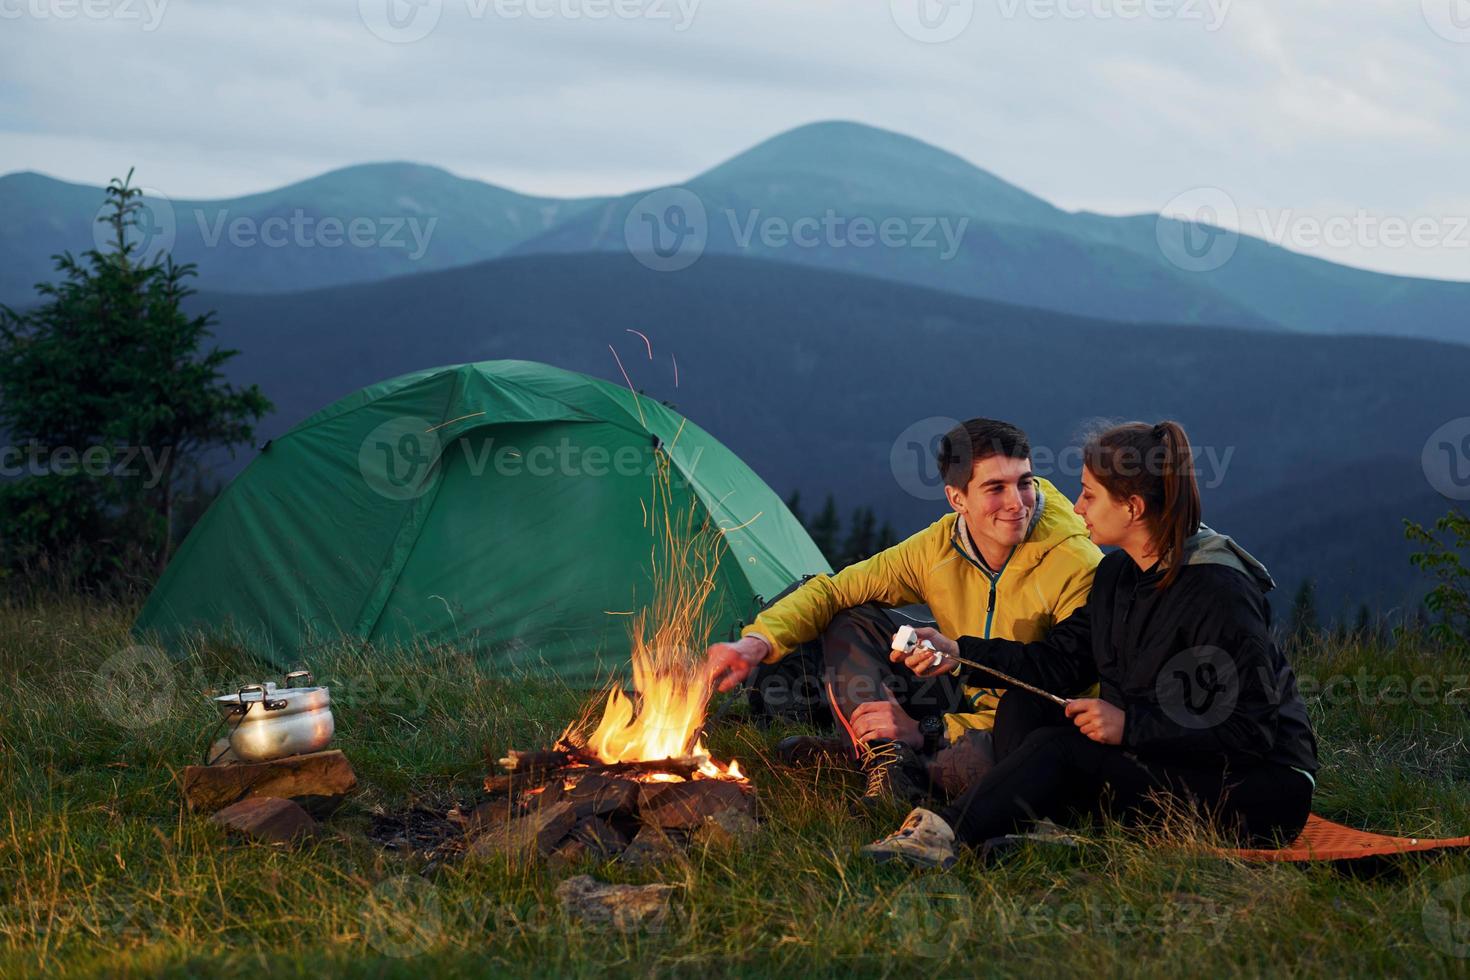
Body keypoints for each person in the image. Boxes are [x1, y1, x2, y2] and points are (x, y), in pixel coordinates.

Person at [862, 420, 1319, 868]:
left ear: (1133, 508)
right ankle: (1052, 834)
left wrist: (1131, 727)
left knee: (1060, 751)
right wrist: (959, 654)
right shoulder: (1118, 576)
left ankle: (939, 837)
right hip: (1170, 760)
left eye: (1089, 494)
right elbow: (1057, 663)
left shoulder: (1218, 592)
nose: (1077, 508)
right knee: (1024, 708)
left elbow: (1250, 732)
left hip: (1256, 793)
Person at [705, 418, 1102, 805]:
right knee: (852, 615)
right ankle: (886, 756)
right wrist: (755, 644)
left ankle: (876, 756)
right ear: (957, 499)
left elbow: (1065, 687)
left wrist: (928, 729)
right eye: (995, 488)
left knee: (973, 768)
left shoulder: (1073, 560)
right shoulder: (938, 548)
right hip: (959, 688)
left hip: (1025, 720)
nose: (1017, 503)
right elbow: (833, 590)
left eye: (1024, 482)